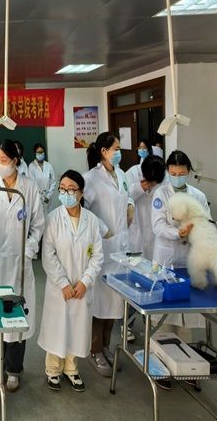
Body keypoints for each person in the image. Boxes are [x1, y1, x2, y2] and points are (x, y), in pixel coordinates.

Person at [0, 139, 46, 392]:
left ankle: (13, 370)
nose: (0, 165)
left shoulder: (29, 188)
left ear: (15, 161)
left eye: (4, 160)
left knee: (17, 318)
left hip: (20, 262)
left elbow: (38, 224)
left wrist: (29, 250)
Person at [39, 170, 104, 392]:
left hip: (82, 287)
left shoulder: (92, 221)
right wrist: (63, 283)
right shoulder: (53, 219)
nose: (66, 194)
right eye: (62, 189)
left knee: (77, 328)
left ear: (81, 193)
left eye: (71, 190)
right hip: (60, 288)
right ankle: (53, 370)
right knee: (57, 327)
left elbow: (98, 256)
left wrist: (85, 281)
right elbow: (48, 255)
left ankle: (71, 369)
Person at [151, 150, 210, 390]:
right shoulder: (160, 194)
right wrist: (178, 232)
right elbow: (157, 226)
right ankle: (160, 368)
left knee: (187, 317)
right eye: (173, 173)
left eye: (181, 173)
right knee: (164, 319)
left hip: (189, 260)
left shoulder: (198, 195)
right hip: (166, 260)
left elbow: (206, 222)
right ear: (167, 172)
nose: (177, 177)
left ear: (189, 172)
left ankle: (186, 366)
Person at [83, 132, 134, 378]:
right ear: (104, 151)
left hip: (121, 249)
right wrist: (104, 230)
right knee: (100, 302)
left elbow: (127, 195)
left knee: (115, 301)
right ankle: (95, 350)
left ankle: (105, 346)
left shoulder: (121, 175)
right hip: (103, 248)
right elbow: (84, 210)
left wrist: (131, 205)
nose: (119, 152)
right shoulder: (90, 179)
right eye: (116, 148)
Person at [127, 155, 166, 260]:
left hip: (156, 233)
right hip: (137, 230)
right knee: (135, 263)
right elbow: (123, 197)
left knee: (155, 263)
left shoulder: (165, 177)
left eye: (155, 182)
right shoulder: (133, 173)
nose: (152, 184)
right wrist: (138, 188)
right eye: (150, 181)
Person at [28, 143, 57, 215]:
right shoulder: (31, 166)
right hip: (37, 198)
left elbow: (53, 181)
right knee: (39, 217)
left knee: (50, 216)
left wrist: (48, 196)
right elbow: (33, 184)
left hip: (49, 198)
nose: (40, 154)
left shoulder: (48, 165)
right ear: (35, 153)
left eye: (42, 152)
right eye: (38, 152)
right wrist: (42, 197)